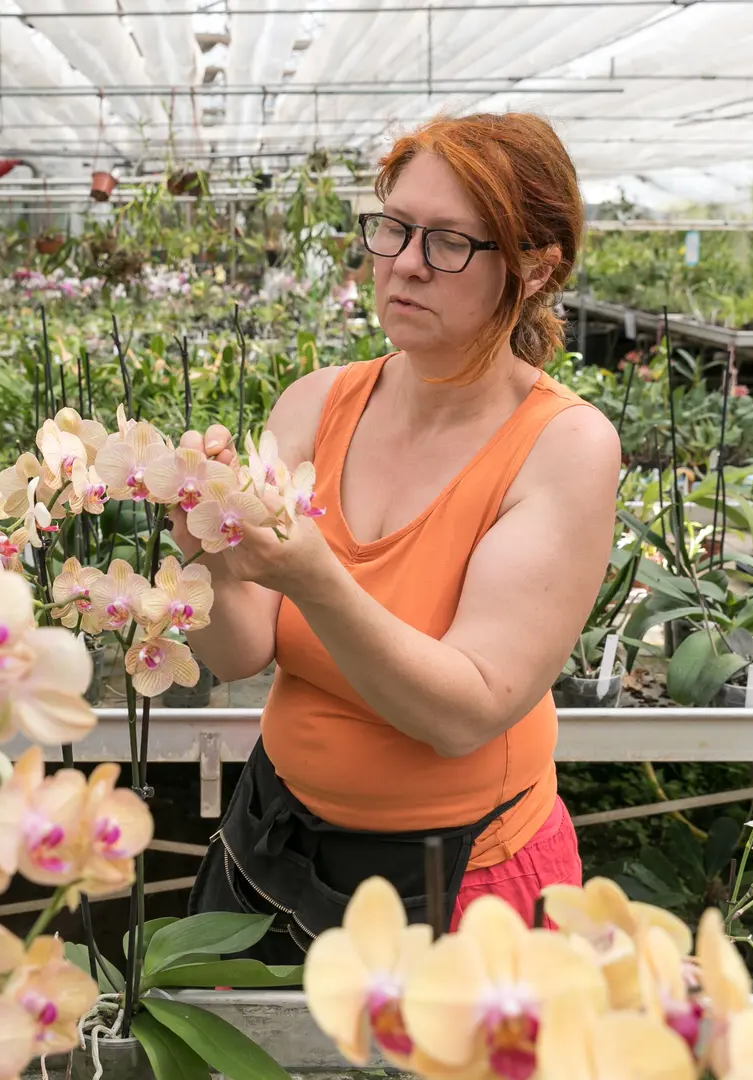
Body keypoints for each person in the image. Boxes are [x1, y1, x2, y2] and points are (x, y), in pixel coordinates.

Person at [180, 113, 620, 960]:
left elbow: (466, 713)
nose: (406, 263)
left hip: (456, 882)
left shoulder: (562, 448)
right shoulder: (316, 404)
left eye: (450, 241)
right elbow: (238, 656)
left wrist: (316, 579)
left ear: (534, 269)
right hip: (271, 843)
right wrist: (210, 558)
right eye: (394, 227)